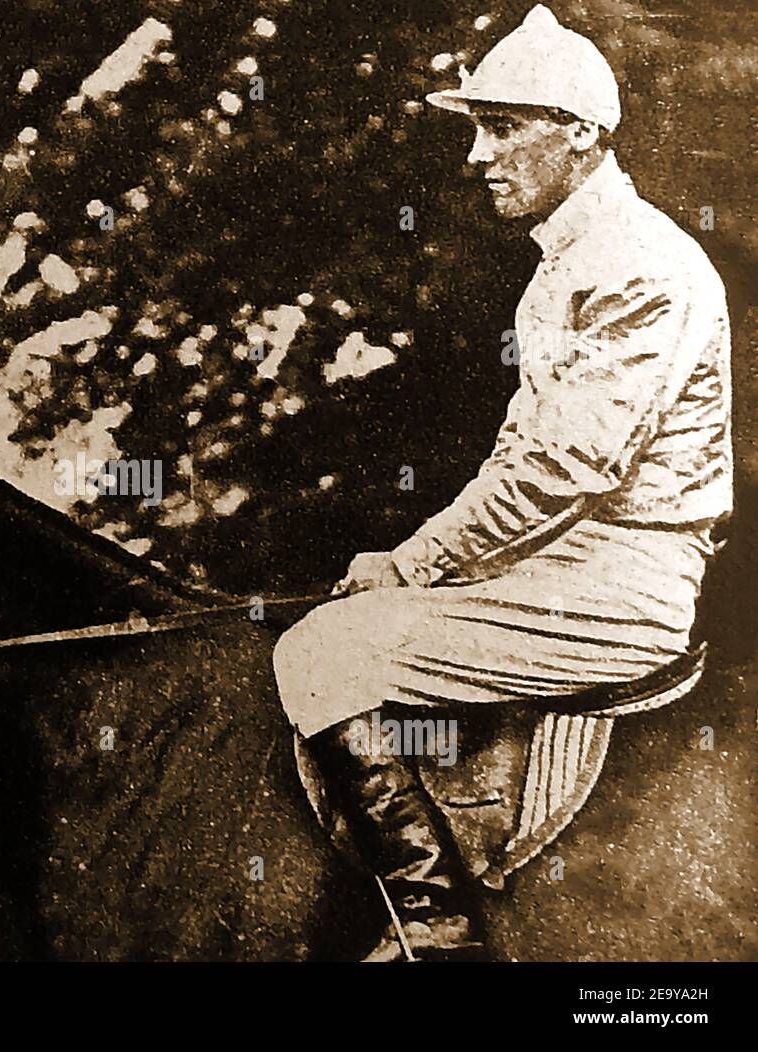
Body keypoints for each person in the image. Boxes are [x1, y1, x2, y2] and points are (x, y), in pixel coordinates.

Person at [273, 5, 732, 961]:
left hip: (622, 583)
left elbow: (568, 465)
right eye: (476, 126)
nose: (478, 155)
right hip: (560, 564)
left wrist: (415, 561)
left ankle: (437, 935)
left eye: (505, 124)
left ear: (581, 135)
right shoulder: (565, 266)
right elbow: (521, 460)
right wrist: (421, 566)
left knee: (319, 656)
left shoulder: (639, 263)